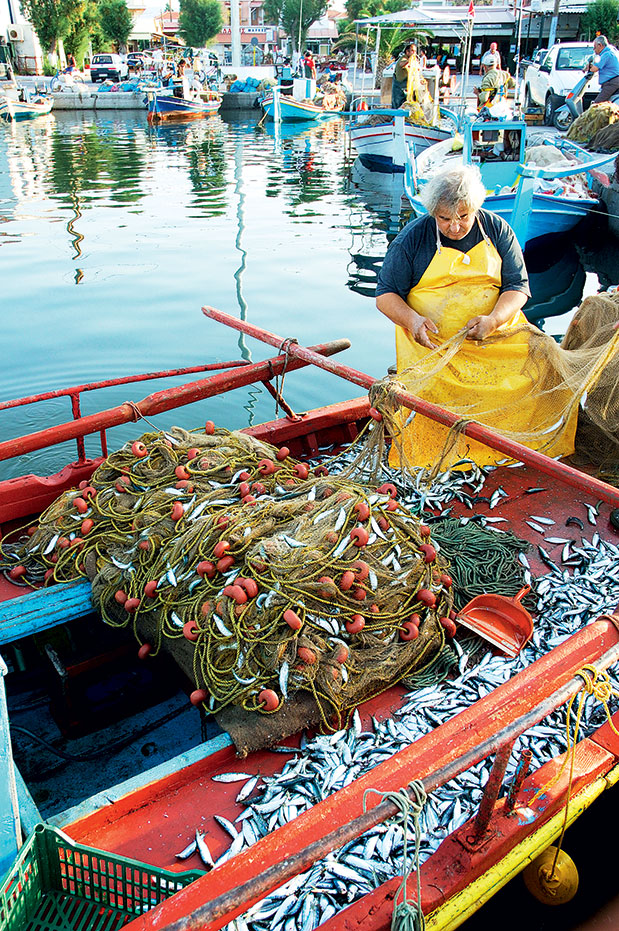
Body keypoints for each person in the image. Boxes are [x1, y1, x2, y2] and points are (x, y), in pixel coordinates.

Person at [375, 165, 579, 469]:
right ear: (433, 213)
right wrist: (413, 321)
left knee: (547, 362)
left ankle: (526, 446)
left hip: (495, 335)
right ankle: (442, 455)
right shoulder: (413, 238)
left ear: (476, 208)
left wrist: (494, 320)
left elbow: (518, 288)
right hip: (433, 345)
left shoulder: (497, 230)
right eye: (444, 219)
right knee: (433, 399)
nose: (454, 227)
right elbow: (386, 295)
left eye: (463, 217)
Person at [588, 35, 619, 103]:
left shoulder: (606, 54)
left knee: (597, 104)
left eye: (595, 47)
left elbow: (594, 69)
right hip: (612, 81)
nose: (594, 49)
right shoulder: (610, 52)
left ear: (600, 45)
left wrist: (589, 66)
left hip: (611, 83)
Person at [391, 43, 417, 109]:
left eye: (415, 51)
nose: (414, 53)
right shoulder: (404, 58)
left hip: (405, 88)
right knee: (398, 107)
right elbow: (401, 64)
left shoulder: (411, 61)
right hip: (399, 89)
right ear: (407, 52)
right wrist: (409, 61)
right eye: (412, 51)